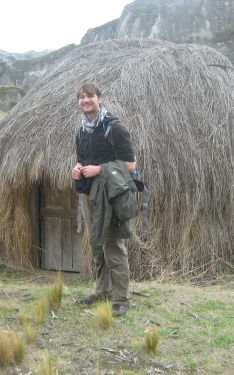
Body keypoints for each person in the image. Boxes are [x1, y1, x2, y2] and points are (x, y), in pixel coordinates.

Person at [72, 82, 136, 317]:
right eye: (81, 97)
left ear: (99, 98)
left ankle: (121, 298)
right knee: (97, 243)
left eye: (89, 96)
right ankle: (102, 291)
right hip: (89, 195)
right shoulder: (81, 131)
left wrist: (98, 170)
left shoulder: (114, 128)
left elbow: (130, 165)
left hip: (110, 196)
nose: (85, 100)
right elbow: (82, 159)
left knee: (113, 244)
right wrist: (78, 169)